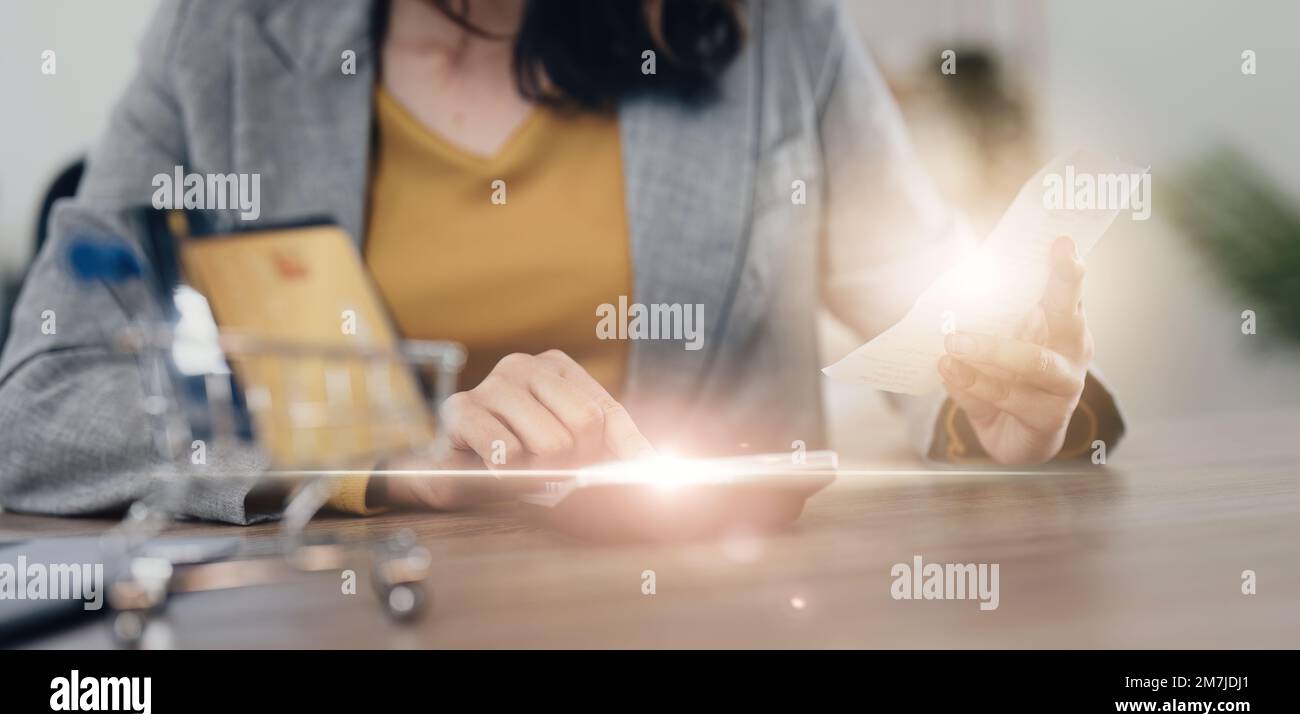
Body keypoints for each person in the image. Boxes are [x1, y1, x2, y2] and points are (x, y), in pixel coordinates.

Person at [0, 0, 1122, 524]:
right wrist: (381, 445)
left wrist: (1010, 416)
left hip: (713, 617)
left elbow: (937, 331)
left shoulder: (773, 33)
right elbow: (37, 408)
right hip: (345, 621)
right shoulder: (231, 46)